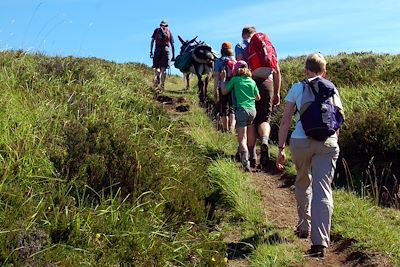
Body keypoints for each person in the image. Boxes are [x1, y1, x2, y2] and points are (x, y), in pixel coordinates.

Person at [276, 53, 344, 258]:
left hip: (301, 141)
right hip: (328, 143)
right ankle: (320, 244)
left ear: (306, 70)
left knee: (303, 180)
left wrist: (280, 148)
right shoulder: (331, 88)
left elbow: (286, 120)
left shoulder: (298, 87)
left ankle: (304, 225)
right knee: (323, 190)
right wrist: (333, 141)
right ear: (324, 72)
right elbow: (338, 119)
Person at [235, 26, 282, 170]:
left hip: (250, 82)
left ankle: (252, 156)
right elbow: (277, 71)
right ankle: (265, 141)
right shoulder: (268, 45)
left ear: (244, 34)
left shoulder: (241, 45)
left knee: (251, 122)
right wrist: (277, 92)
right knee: (264, 119)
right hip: (268, 84)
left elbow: (240, 68)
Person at [221, 60, 260, 171]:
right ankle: (253, 158)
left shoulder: (235, 80)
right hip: (252, 110)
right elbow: (258, 97)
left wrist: (223, 79)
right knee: (250, 134)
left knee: (242, 138)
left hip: (241, 110)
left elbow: (224, 91)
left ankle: (245, 162)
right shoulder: (252, 81)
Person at [213, 42, 236, 132]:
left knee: (223, 108)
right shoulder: (235, 61)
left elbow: (216, 77)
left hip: (222, 86)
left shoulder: (218, 61)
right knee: (232, 108)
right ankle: (232, 128)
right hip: (233, 87)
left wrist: (214, 90)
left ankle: (225, 129)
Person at [150, 20, 175, 92]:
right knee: (163, 69)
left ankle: (156, 78)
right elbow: (172, 45)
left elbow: (152, 41)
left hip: (157, 50)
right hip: (166, 50)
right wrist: (173, 56)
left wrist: (151, 51)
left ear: (160, 25)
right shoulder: (169, 32)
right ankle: (162, 86)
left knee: (156, 67)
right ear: (167, 25)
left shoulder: (156, 31)